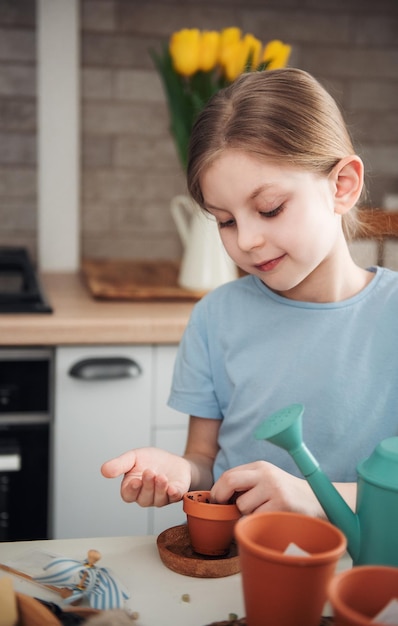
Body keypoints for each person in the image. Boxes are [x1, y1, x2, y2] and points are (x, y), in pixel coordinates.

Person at [101, 68, 398, 519]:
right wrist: (177, 469)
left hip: (364, 578)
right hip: (239, 571)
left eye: (270, 208)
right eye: (225, 220)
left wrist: (315, 497)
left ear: (343, 186)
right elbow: (204, 461)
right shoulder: (215, 317)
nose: (247, 241)